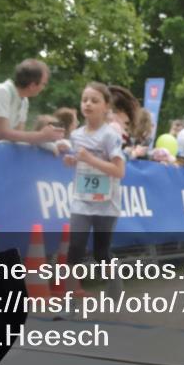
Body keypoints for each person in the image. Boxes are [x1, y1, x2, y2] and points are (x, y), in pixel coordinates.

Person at [62, 82, 126, 296]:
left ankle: (114, 284)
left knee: (101, 254)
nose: (88, 104)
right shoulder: (76, 135)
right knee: (75, 248)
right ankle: (69, 301)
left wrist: (89, 158)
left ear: (106, 106)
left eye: (94, 100)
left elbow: (119, 171)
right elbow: (81, 160)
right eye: (84, 100)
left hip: (106, 202)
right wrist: (73, 161)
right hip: (82, 200)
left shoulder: (110, 136)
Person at [0, 59, 63, 144]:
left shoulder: (24, 100)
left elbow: (19, 136)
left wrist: (50, 144)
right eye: (43, 84)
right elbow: (1, 133)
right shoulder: (2, 91)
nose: (43, 88)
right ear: (32, 85)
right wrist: (41, 136)